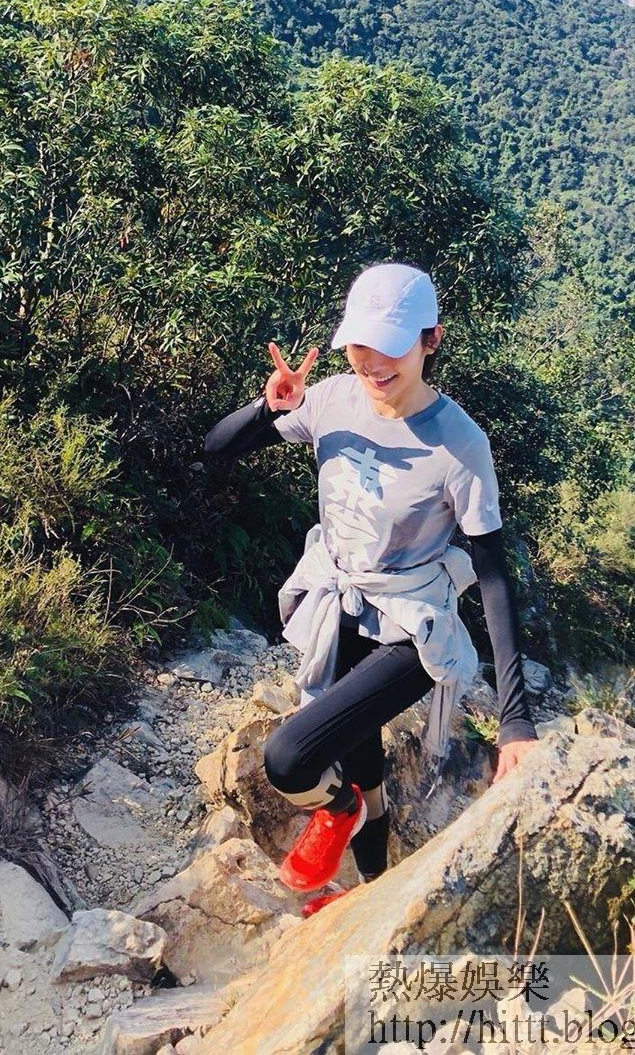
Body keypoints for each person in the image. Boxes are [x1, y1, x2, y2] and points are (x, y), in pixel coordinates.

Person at [201, 261, 539, 917]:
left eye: (391, 346)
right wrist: (268, 407)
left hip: (412, 628)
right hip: (344, 607)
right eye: (360, 344)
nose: (373, 363)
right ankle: (369, 893)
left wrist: (516, 719)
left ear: (431, 340)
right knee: (365, 769)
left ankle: (338, 811)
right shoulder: (332, 398)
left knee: (290, 759)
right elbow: (216, 449)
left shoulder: (460, 444)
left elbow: (495, 576)